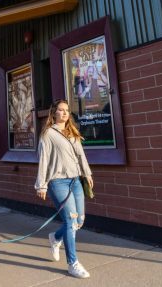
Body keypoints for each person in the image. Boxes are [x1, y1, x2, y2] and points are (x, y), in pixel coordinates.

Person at [35, 99, 94, 279]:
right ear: (54, 113)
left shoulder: (72, 132)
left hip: (75, 181)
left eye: (67, 110)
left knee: (79, 221)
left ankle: (55, 238)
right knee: (70, 220)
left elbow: (80, 155)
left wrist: (87, 174)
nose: (65, 113)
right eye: (61, 110)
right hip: (57, 182)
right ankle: (72, 263)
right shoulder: (48, 134)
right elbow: (43, 160)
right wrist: (41, 184)